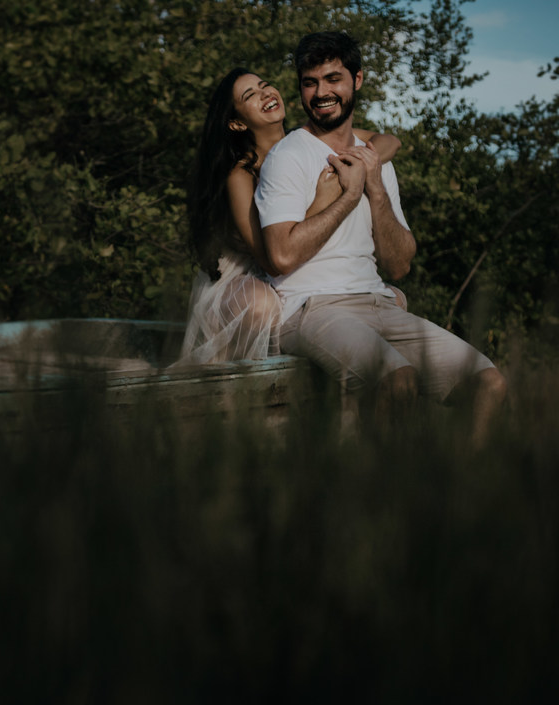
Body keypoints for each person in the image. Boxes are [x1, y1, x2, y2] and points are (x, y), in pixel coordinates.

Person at [255, 31, 506, 441]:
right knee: (397, 380)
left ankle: (461, 500)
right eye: (310, 82)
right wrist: (348, 195)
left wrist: (373, 188)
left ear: (358, 80)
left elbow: (399, 263)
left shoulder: (375, 158)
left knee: (489, 385)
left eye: (333, 79)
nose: (321, 92)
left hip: (379, 301)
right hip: (311, 307)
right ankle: (388, 499)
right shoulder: (288, 157)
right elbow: (281, 256)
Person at [178, 67, 404, 365]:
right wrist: (324, 199)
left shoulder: (306, 140)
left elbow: (389, 141)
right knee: (262, 306)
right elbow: (269, 258)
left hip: (304, 263)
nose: (265, 94)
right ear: (236, 123)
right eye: (250, 96)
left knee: (396, 297)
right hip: (256, 274)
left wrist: (362, 164)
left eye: (264, 85)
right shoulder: (241, 172)